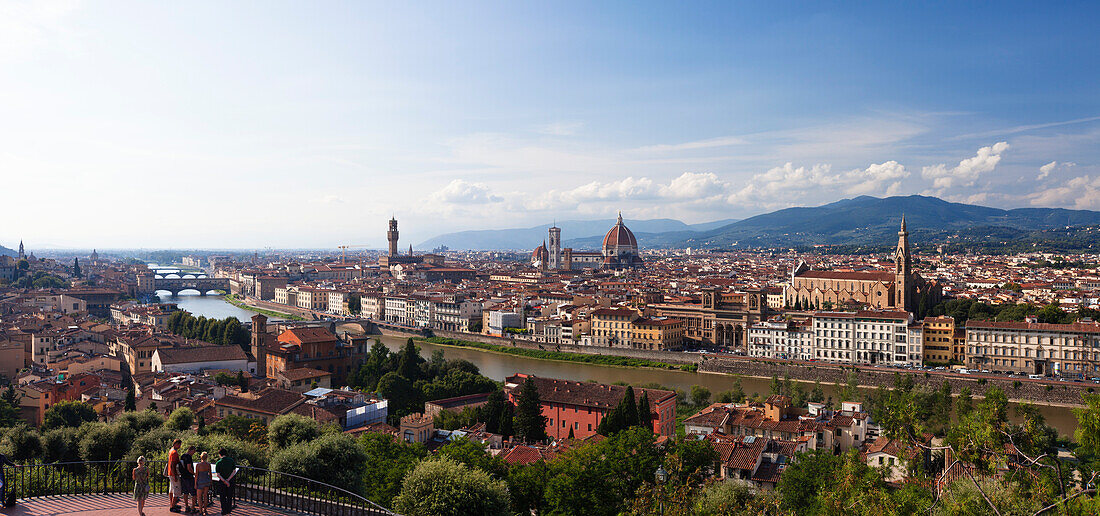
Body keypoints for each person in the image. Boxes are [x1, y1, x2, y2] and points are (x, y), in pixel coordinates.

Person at [213, 448, 237, 515]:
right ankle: (229, 510)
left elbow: (218, 474)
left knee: (222, 497)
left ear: (220, 454)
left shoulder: (218, 463)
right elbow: (234, 471)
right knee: (229, 496)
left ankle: (224, 510)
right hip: (230, 481)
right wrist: (228, 480)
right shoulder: (231, 461)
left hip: (222, 482)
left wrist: (224, 481)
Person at [166, 439, 183, 513]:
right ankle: (172, 507)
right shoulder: (174, 452)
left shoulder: (171, 450)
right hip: (173, 474)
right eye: (179, 444)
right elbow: (173, 465)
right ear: (175, 444)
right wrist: (175, 475)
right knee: (177, 490)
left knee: (171, 490)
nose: (180, 446)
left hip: (170, 473)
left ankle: (172, 504)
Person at [194, 452, 213, 516]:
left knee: (199, 497)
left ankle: (200, 511)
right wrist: (210, 481)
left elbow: (196, 475)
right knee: (205, 496)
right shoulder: (208, 465)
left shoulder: (198, 465)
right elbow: (210, 474)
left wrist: (195, 483)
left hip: (200, 482)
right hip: (206, 481)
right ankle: (205, 510)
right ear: (206, 457)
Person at [180, 445, 197, 513]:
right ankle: (193, 508)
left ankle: (187, 506)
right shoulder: (189, 457)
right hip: (189, 477)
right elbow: (189, 468)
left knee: (185, 492)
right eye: (194, 451)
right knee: (193, 493)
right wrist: (194, 474)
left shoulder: (183, 456)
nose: (194, 453)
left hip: (183, 476)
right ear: (191, 450)